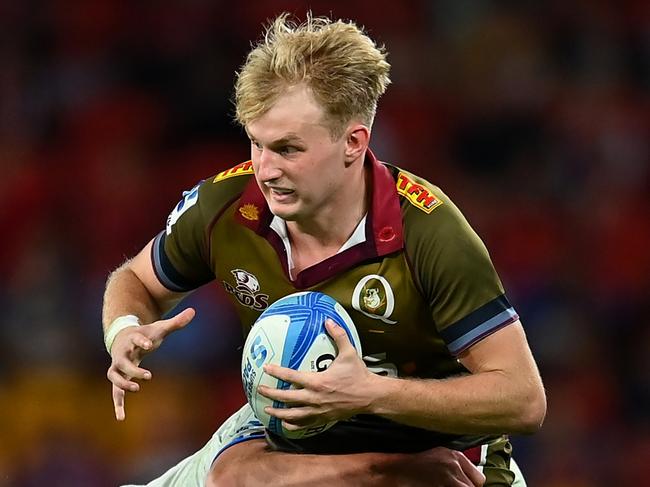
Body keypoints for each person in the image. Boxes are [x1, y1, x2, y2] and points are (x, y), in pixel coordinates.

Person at [103, 13, 545, 487]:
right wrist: (124, 329)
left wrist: (369, 393)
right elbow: (133, 280)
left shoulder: (430, 233)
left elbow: (523, 399)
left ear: (353, 142)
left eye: (288, 149)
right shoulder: (225, 207)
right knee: (232, 476)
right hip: (299, 450)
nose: (265, 170)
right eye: (256, 143)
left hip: (439, 458)